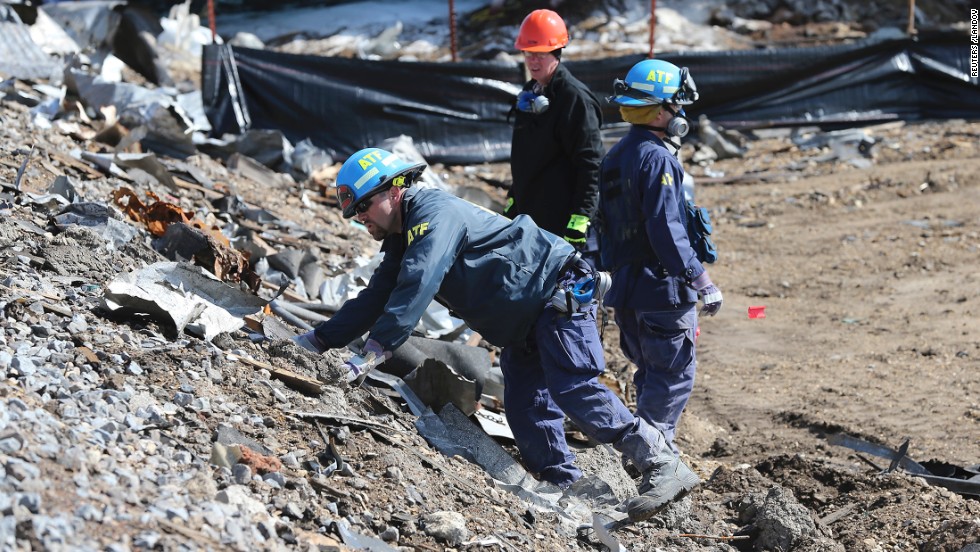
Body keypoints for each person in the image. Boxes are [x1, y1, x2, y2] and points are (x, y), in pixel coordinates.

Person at [293, 146, 699, 522]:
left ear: (395, 190)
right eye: (355, 212)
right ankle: (570, 487)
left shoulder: (434, 215)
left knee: (573, 387)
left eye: (364, 205)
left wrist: (375, 351)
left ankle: (662, 463)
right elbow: (375, 298)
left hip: (556, 295)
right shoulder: (403, 237)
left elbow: (419, 282)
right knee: (525, 406)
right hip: (525, 321)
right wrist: (315, 342)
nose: (360, 217)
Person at [597, 59, 724, 457]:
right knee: (671, 377)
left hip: (628, 293)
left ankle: (644, 451)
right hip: (662, 291)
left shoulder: (615, 156)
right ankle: (654, 458)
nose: (681, 116)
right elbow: (665, 228)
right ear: (660, 111)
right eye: (678, 107)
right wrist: (700, 279)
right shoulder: (658, 159)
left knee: (649, 374)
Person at [507, 9, 603, 265]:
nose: (532, 61)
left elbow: (591, 163)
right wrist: (515, 196)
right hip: (533, 219)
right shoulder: (530, 93)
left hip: (563, 224)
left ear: (557, 52)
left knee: (571, 300)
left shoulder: (574, 99)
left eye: (540, 54)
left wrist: (581, 217)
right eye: (528, 53)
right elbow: (527, 155)